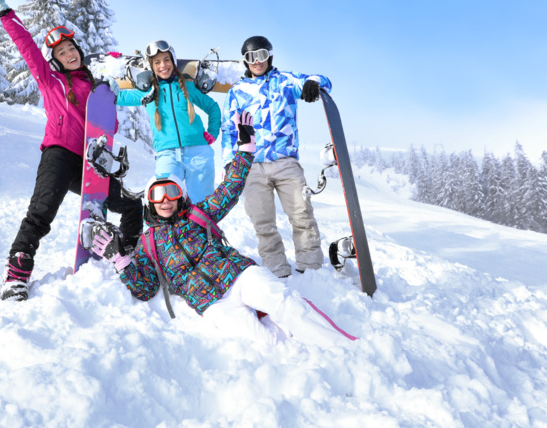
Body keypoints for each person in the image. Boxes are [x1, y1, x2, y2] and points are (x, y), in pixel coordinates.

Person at [91, 112, 355, 347]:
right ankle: (298, 351)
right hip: (212, 304)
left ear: (181, 195)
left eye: (171, 192)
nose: (165, 200)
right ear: (150, 202)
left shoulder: (197, 215)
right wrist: (122, 263)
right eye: (157, 195)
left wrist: (245, 152)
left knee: (283, 302)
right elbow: (146, 288)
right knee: (267, 344)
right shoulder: (148, 244)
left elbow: (229, 189)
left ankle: (339, 345)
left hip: (239, 276)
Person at [0, 0, 143, 302]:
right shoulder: (51, 81)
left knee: (131, 205)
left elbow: (109, 125)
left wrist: (116, 95)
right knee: (41, 211)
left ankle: (128, 252)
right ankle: (16, 274)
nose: (69, 54)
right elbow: (27, 47)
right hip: (59, 155)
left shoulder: (97, 88)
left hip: (90, 163)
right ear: (56, 61)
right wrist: (5, 13)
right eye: (61, 52)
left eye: (71, 48)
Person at [220, 36, 332, 279]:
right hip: (251, 165)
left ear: (269, 56)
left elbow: (324, 81)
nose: (256, 61)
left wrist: (312, 83)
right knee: (262, 222)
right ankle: (277, 272)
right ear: (245, 61)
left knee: (302, 215)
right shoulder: (237, 92)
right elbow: (228, 130)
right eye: (250, 57)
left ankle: (311, 270)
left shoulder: (285, 81)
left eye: (261, 55)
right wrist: (230, 162)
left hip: (285, 161)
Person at [114, 40, 221, 201]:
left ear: (173, 61)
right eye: (157, 62)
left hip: (198, 152)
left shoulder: (187, 87)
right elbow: (119, 97)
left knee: (203, 204)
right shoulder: (147, 92)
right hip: (167, 154)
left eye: (166, 60)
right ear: (151, 66)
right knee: (166, 200)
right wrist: (110, 76)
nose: (163, 65)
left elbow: (213, 108)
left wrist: (212, 132)